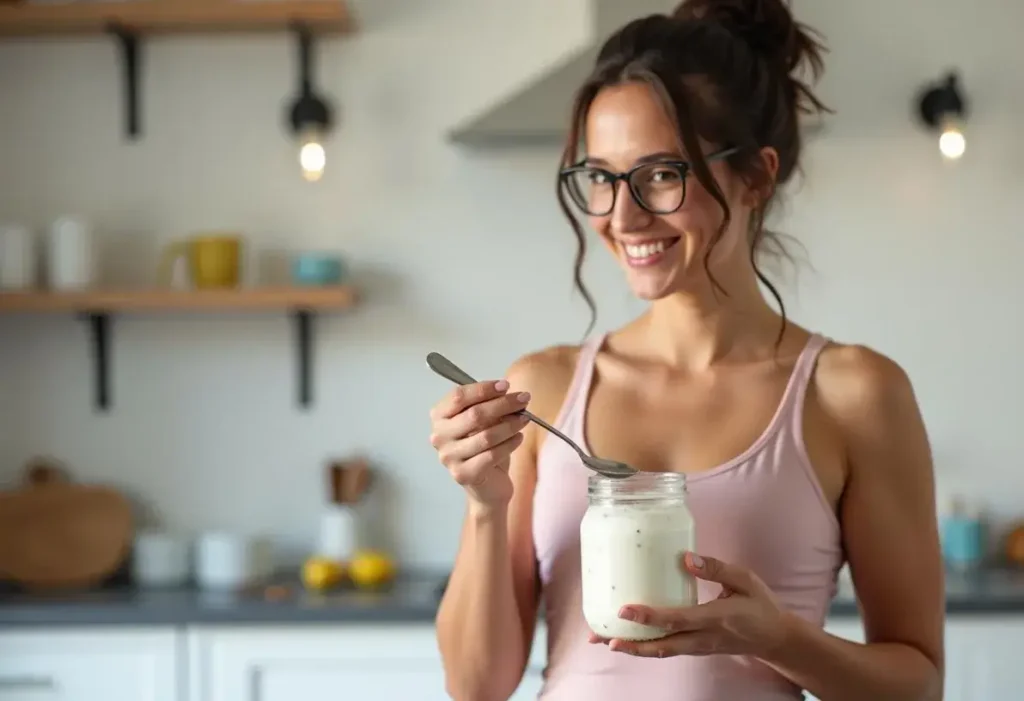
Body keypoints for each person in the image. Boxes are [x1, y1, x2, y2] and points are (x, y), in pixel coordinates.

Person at [430, 0, 945, 699]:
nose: (622, 215)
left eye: (662, 174)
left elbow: (917, 683)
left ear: (756, 177)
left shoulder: (853, 393)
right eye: (601, 177)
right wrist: (487, 503)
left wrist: (778, 638)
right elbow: (474, 684)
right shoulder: (543, 388)